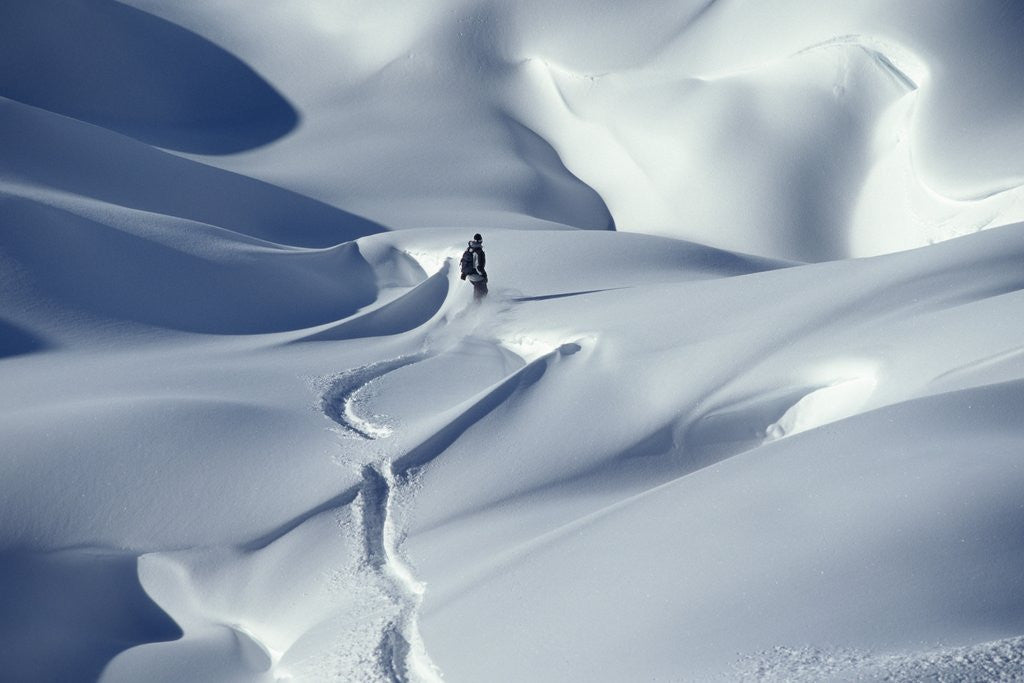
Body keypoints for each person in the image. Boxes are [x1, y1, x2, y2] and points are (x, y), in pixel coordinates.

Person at [459, 233, 488, 302]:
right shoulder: (479, 252)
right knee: (482, 295)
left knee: (479, 292)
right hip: (476, 277)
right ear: (481, 241)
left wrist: (464, 273)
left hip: (469, 276)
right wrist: (484, 275)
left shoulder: (469, 249)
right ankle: (475, 307)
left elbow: (463, 261)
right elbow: (478, 267)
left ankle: (474, 304)